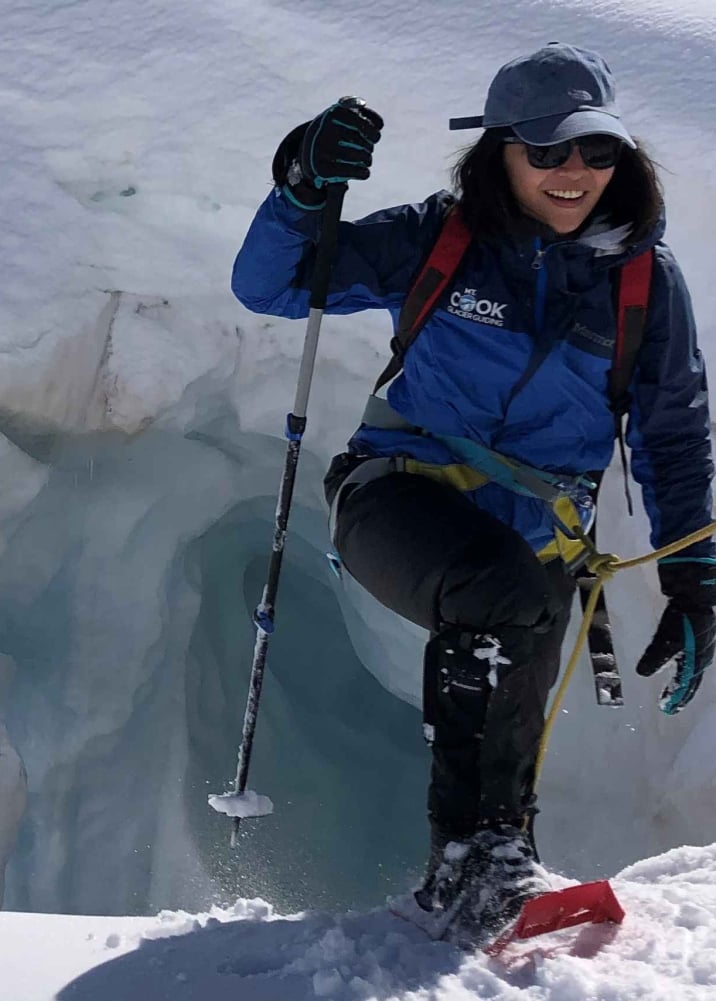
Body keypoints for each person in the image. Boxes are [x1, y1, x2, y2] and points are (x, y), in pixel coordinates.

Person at [230, 43, 716, 941]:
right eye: (547, 150)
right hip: (393, 500)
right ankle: (472, 863)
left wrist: (695, 576)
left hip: (538, 545)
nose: (574, 172)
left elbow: (674, 431)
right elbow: (273, 285)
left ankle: (493, 875)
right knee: (505, 593)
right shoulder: (440, 238)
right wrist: (301, 185)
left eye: (596, 151)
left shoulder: (644, 281)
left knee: (516, 660)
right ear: (498, 152)